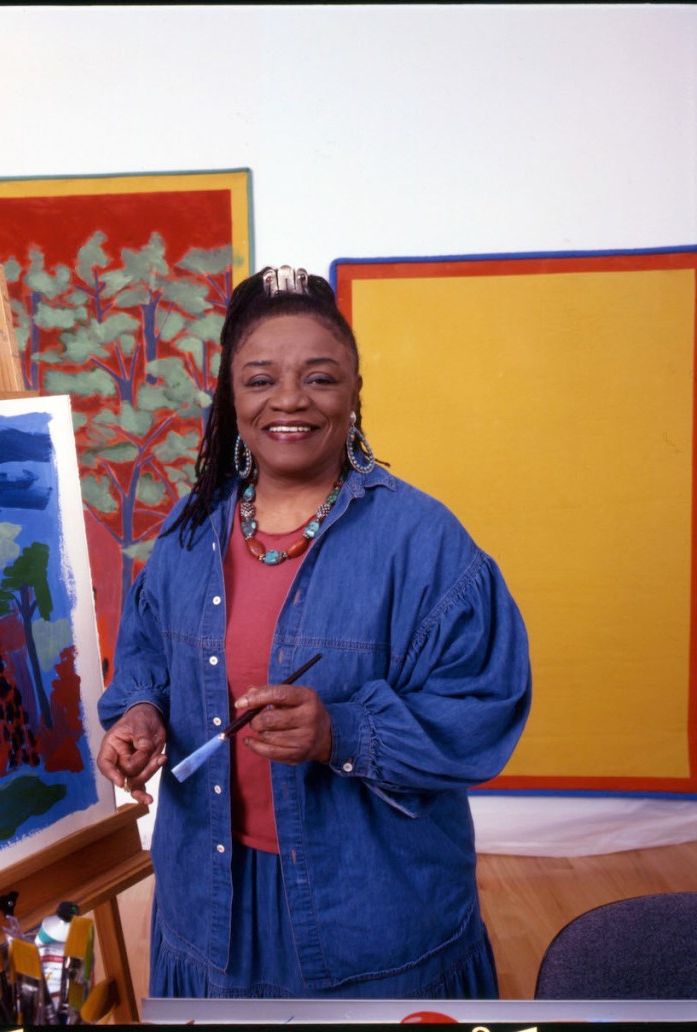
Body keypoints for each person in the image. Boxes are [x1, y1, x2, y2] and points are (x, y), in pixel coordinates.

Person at [96, 265, 531, 1000]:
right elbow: (142, 651)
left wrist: (342, 733)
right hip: (209, 902)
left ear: (355, 392)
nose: (290, 400)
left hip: (373, 912)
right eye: (261, 379)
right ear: (232, 399)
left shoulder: (423, 542)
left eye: (320, 378)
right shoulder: (189, 529)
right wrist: (139, 710)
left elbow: (483, 711)